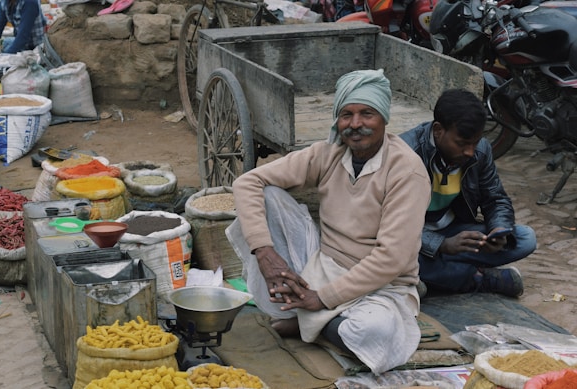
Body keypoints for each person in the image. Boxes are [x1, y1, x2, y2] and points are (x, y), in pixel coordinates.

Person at [226, 68, 432, 374]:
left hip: (378, 285)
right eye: (346, 115)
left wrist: (321, 299)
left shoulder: (407, 172)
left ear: (384, 118)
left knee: (373, 334)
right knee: (267, 195)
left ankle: (309, 325)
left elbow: (391, 259)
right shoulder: (329, 153)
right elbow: (247, 183)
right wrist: (265, 253)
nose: (356, 124)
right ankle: (318, 322)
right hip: (323, 263)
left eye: (367, 113)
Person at [399, 89, 537, 298]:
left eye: (475, 143)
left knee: (525, 238)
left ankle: (425, 277)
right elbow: (392, 225)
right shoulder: (404, 153)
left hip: (452, 232)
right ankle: (476, 278)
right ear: (438, 130)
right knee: (389, 255)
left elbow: (495, 198)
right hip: (409, 238)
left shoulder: (480, 150)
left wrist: (498, 229)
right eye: (462, 144)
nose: (470, 152)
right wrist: (442, 245)